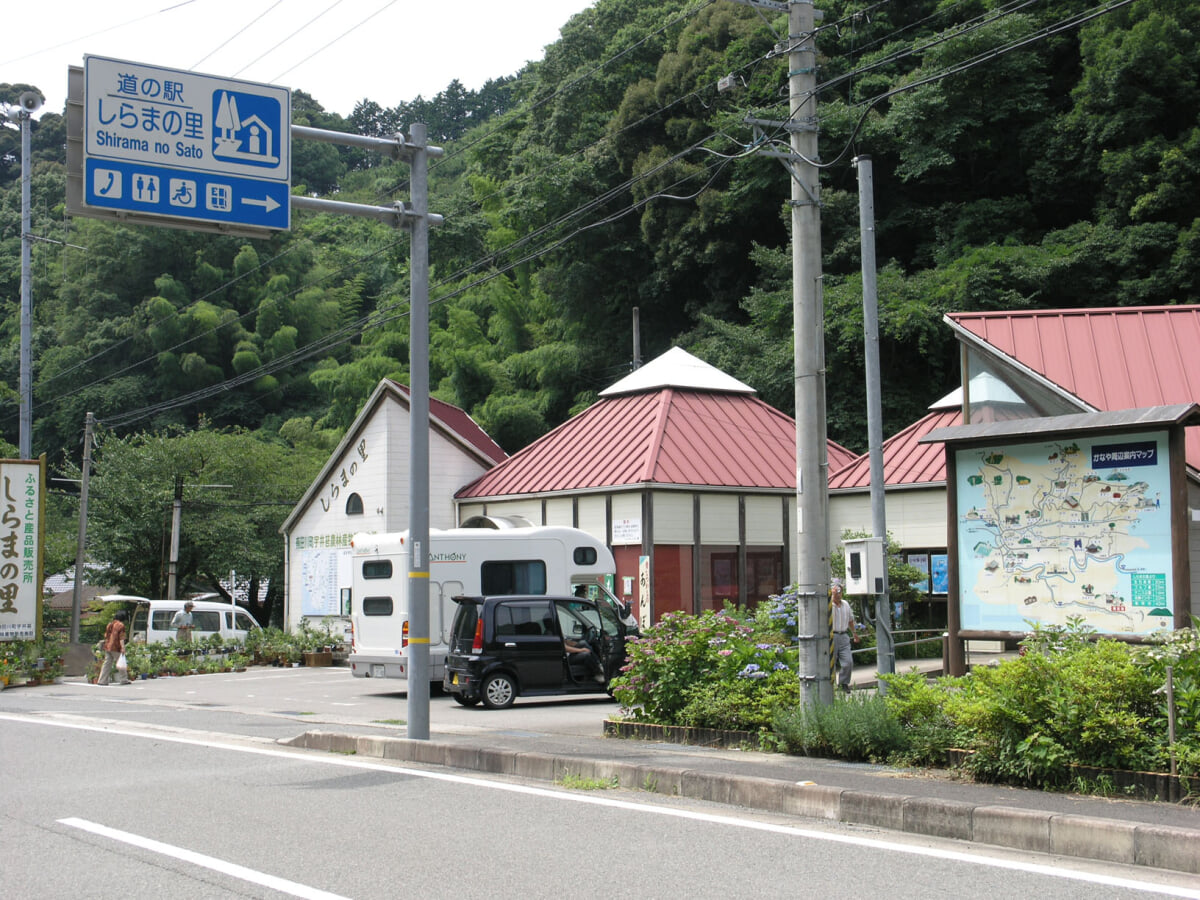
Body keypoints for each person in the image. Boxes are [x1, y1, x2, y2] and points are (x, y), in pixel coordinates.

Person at [831, 578, 859, 694]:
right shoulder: (828, 604)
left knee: (848, 662)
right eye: (836, 592)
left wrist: (854, 633)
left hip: (843, 635)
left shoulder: (846, 604)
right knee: (830, 662)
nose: (838, 595)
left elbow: (850, 620)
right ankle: (829, 686)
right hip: (832, 636)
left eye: (840, 592)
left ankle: (844, 683)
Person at [97, 610, 129, 686]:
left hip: (108, 646)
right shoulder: (121, 625)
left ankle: (102, 680)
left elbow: (106, 635)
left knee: (107, 664)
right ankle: (124, 679)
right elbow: (121, 638)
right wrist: (123, 647)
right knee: (121, 662)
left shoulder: (110, 624)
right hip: (116, 647)